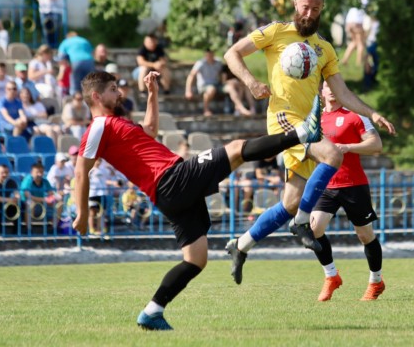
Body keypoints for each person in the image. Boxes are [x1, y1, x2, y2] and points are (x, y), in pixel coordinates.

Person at [72, 70, 323, 330]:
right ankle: (302, 133)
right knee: (236, 148)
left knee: (196, 259)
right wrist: (82, 212)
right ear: (96, 96)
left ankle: (151, 312)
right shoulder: (99, 126)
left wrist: (152, 94)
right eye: (113, 89)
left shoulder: (116, 123)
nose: (119, 93)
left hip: (166, 194)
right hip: (172, 179)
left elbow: (150, 130)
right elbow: (80, 172)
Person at [223, 0, 395, 285]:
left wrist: (372, 114)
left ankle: (241, 245)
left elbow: (342, 92)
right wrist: (251, 82)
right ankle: (302, 223)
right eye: (304, 6)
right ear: (294, 4)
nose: (309, 13)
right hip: (283, 119)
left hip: (309, 124)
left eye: (315, 9)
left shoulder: (324, 48)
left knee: (290, 202)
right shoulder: (275, 32)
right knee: (332, 154)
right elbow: (232, 53)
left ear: (322, 10)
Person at [311, 81, 385, 302]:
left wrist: (348, 147)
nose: (332, 90)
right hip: (326, 185)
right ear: (322, 92)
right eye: (327, 86)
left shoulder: (355, 115)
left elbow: (376, 145)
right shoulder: (315, 119)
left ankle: (376, 281)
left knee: (365, 235)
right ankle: (331, 276)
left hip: (353, 185)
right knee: (314, 228)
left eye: (335, 85)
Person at [185, 49, 230, 116]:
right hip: (204, 86)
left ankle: (237, 108)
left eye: (211, 55)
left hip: (217, 85)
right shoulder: (200, 63)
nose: (210, 57)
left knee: (231, 89)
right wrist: (188, 91)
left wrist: (224, 82)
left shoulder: (218, 62)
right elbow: (191, 75)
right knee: (211, 89)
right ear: (205, 55)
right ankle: (206, 109)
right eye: (208, 55)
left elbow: (223, 73)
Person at [20, 162, 57, 231]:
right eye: (37, 172)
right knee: (30, 204)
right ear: (31, 172)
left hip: (42, 204)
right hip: (27, 204)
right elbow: (27, 195)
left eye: (41, 172)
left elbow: (51, 193)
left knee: (58, 204)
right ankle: (29, 229)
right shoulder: (27, 180)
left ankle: (53, 228)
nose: (39, 174)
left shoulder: (45, 181)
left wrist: (52, 199)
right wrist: (43, 199)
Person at [0, 164, 20, 235]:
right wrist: (8, 200)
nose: (4, 175)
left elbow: (17, 194)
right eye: (2, 173)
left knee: (19, 206)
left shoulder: (11, 182)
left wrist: (16, 198)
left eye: (6, 172)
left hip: (7, 204)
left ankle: (17, 230)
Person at [340, 0, 368, 67]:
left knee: (354, 42)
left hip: (349, 22)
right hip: (357, 23)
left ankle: (345, 60)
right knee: (360, 43)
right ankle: (359, 63)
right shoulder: (364, 0)